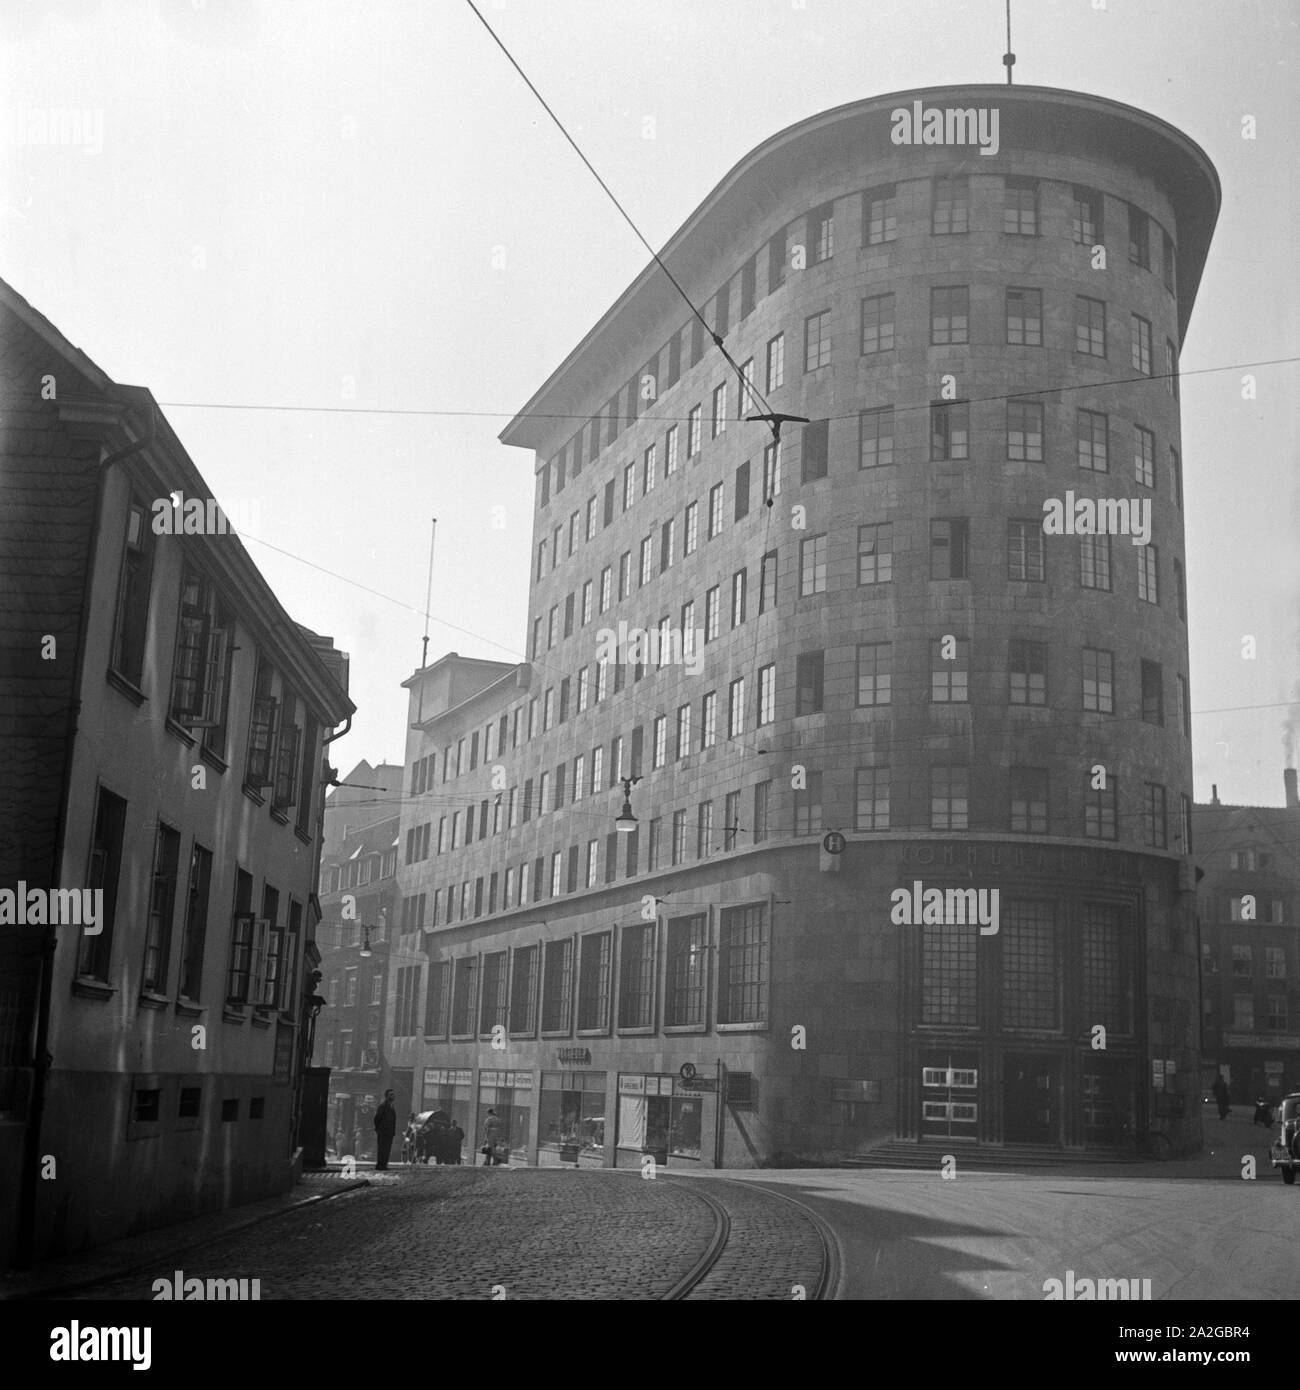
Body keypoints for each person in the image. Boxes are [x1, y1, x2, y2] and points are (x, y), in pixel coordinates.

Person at [374, 1090, 398, 1169]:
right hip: (383, 1131)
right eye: (391, 1094)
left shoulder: (392, 1106)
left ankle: (384, 1165)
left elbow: (393, 1120)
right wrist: (378, 1129)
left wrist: (393, 1131)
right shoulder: (382, 1106)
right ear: (386, 1096)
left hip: (389, 1132)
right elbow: (377, 1118)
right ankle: (380, 1165)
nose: (393, 1096)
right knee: (382, 1149)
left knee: (387, 1149)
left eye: (393, 1095)